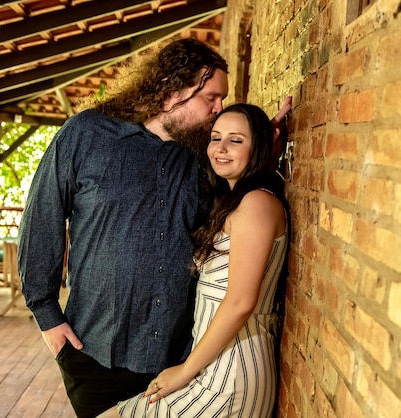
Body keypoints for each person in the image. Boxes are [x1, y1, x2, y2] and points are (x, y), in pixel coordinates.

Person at [17, 38, 291, 418]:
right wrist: (47, 314)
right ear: (172, 87)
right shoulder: (85, 134)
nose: (219, 109)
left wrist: (259, 152)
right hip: (93, 350)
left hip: (179, 356)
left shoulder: (202, 156)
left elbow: (236, 211)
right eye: (211, 97)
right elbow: (41, 219)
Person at [98, 103, 289, 418]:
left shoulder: (257, 204)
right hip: (213, 367)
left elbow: (241, 301)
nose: (221, 148)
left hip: (229, 377)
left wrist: (184, 370)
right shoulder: (237, 201)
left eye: (236, 140)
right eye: (216, 138)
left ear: (258, 148)